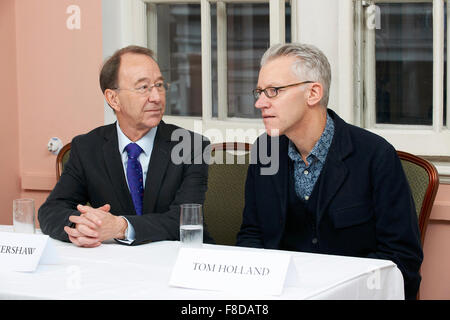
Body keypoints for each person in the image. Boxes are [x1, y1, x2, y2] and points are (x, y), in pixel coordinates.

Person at [236, 43, 423, 300]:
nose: (259, 103)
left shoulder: (375, 156)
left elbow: (402, 258)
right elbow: (252, 235)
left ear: (313, 93)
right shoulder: (264, 151)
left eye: (273, 91)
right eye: (259, 92)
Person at [38, 45, 213, 247]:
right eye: (143, 87)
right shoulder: (87, 148)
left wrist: (122, 227)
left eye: (159, 85)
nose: (156, 97)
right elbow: (51, 210)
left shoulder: (192, 147)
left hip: (176, 260)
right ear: (113, 99)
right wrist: (82, 226)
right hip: (113, 264)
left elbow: (183, 221)